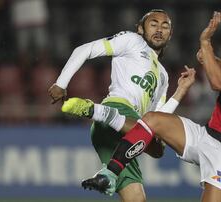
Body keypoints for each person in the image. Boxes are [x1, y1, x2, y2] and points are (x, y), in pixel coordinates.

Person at [62, 8, 221, 201]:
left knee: (157, 147)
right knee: (152, 122)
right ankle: (109, 174)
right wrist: (212, 60)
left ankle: (98, 111)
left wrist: (206, 43)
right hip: (206, 135)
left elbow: (219, 82)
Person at [49, 9, 194, 202]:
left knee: (154, 159)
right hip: (119, 108)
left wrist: (181, 90)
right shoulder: (132, 40)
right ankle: (97, 111)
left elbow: (158, 118)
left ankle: (107, 172)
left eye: (164, 26)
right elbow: (84, 50)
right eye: (153, 24)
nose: (159, 29)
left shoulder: (163, 76)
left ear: (170, 33)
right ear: (141, 29)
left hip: (127, 135)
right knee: (150, 135)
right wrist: (61, 83)